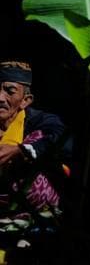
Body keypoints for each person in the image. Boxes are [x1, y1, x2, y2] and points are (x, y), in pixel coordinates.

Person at [0, 61, 67, 211]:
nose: (0, 98)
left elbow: (62, 140)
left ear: (25, 100)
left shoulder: (41, 121)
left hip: (35, 210)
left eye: (10, 91)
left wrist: (20, 150)